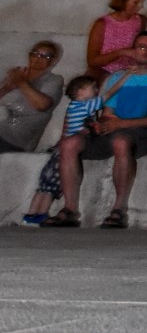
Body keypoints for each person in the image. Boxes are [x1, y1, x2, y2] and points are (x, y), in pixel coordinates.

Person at [48, 31, 147, 227]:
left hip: (144, 133)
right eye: (140, 46)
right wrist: (102, 124)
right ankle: (70, 208)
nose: (144, 50)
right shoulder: (117, 77)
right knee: (69, 143)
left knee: (121, 140)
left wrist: (119, 124)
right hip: (115, 129)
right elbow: (107, 112)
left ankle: (118, 209)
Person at [22, 73, 101, 224]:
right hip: (60, 158)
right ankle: (39, 214)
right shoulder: (81, 107)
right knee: (49, 190)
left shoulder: (73, 107)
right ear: (80, 92)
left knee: (44, 188)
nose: (97, 90)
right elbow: (70, 129)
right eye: (94, 88)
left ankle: (32, 215)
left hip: (59, 154)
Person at [0, 42, 64, 155]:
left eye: (46, 56)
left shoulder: (53, 80)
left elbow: (42, 105)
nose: (39, 58)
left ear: (53, 60)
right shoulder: (18, 74)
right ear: (29, 56)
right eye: (36, 54)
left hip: (17, 139)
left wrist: (21, 82)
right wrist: (7, 87)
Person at [86, 0, 146, 80]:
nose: (141, 6)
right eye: (136, 2)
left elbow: (140, 46)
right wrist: (121, 53)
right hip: (103, 71)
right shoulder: (102, 23)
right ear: (124, 1)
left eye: (142, 2)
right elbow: (92, 62)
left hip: (129, 71)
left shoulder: (140, 20)